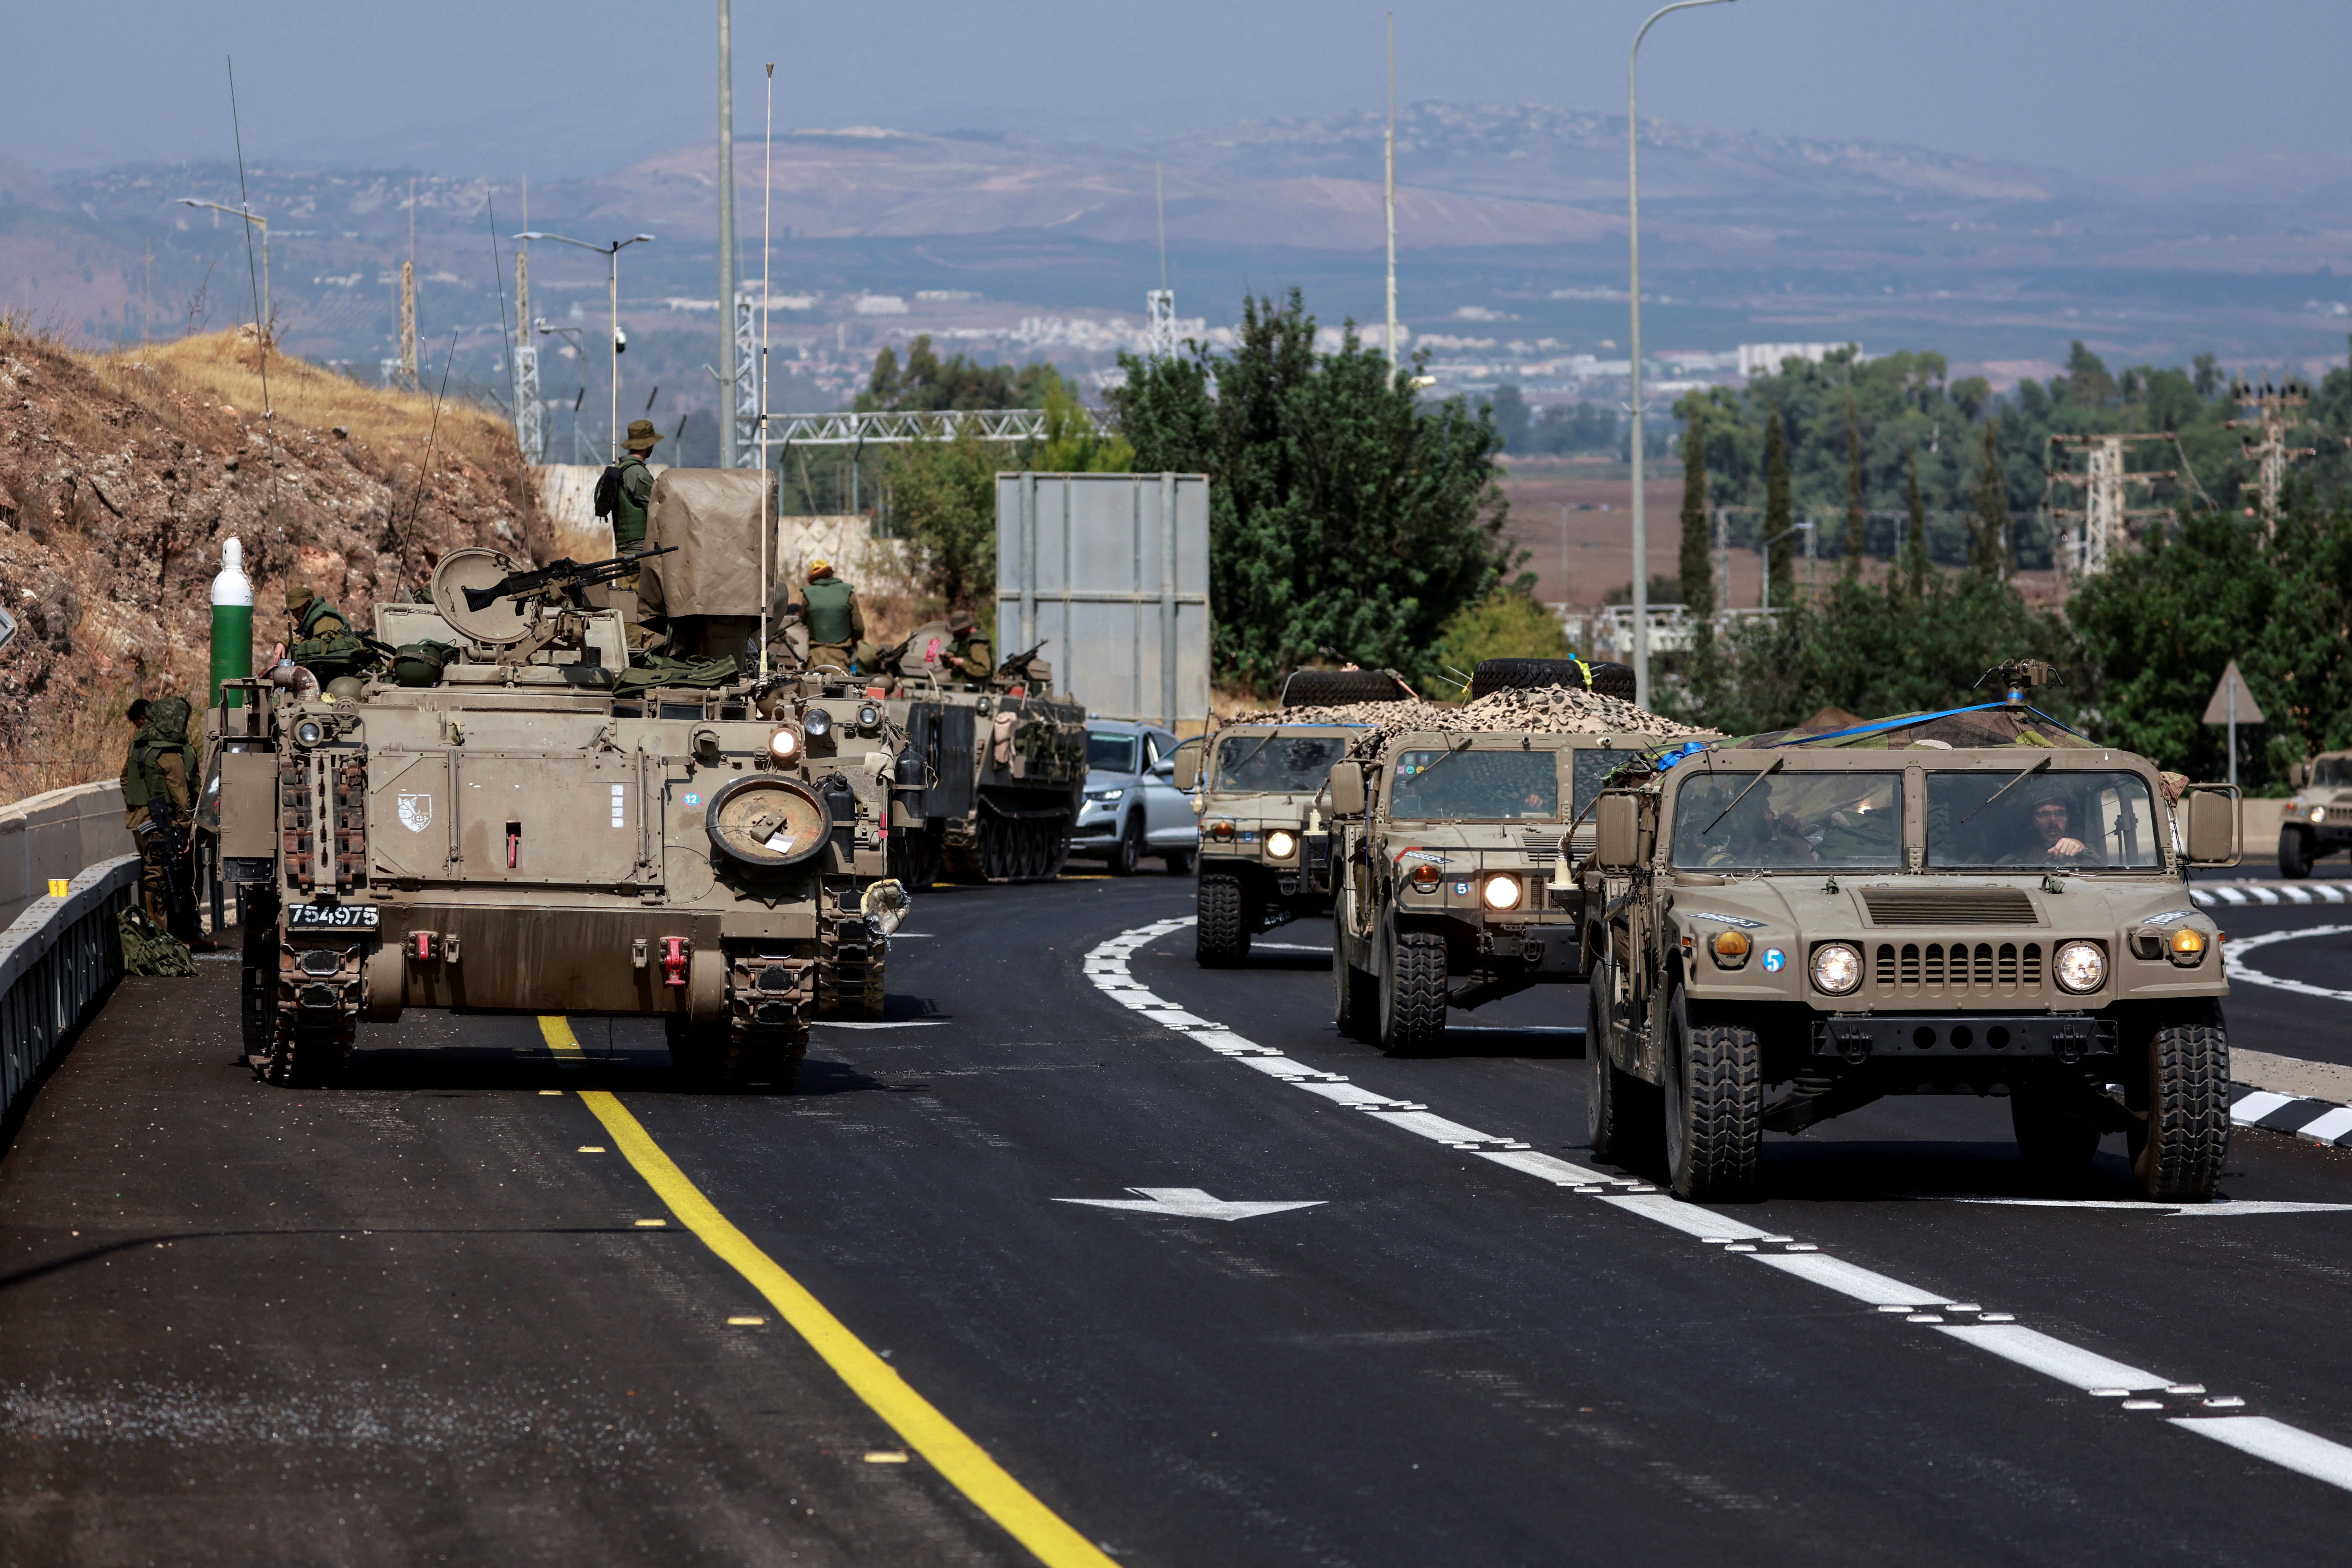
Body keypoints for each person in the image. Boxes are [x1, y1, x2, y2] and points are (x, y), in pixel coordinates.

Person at [122, 693, 213, 951]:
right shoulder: (171, 753)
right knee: (165, 876)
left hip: (141, 822)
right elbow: (182, 797)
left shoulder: (138, 746)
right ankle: (163, 939)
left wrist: (139, 807)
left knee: (158, 875)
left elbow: (125, 781)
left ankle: (172, 935)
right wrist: (185, 829)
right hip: (166, 824)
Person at [600, 420, 662, 559]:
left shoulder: (620, 468)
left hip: (626, 551)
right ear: (649, 444)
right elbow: (657, 511)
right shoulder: (638, 473)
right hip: (639, 553)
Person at [801, 559, 864, 674]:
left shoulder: (808, 594)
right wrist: (853, 641)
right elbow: (859, 627)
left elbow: (803, 620)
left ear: (812, 578)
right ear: (830, 573)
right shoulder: (848, 593)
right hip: (840, 658)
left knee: (809, 689)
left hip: (815, 657)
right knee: (843, 689)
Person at [944, 609, 991, 683]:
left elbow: (984, 670)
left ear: (965, 628)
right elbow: (960, 652)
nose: (957, 632)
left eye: (958, 630)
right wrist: (947, 657)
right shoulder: (965, 638)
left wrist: (962, 663)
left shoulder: (976, 644)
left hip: (973, 688)